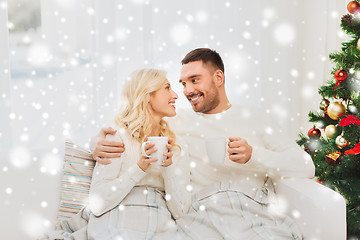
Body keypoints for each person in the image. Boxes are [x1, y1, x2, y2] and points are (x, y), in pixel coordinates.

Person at [92, 48, 315, 239]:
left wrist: (253, 155)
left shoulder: (256, 118)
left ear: (218, 78)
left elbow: (305, 165)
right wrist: (96, 143)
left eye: (195, 80)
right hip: (204, 212)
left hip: (252, 208)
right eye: (183, 83)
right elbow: (136, 125)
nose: (187, 91)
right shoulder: (175, 122)